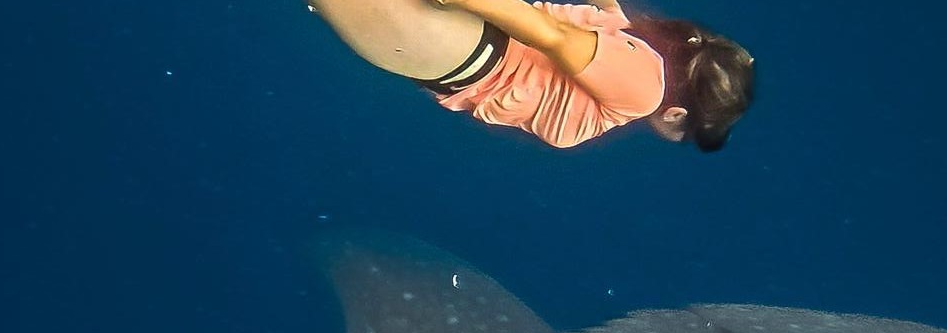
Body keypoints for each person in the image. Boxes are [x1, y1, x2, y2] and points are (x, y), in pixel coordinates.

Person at [307, 0, 755, 152]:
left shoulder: (630, 32)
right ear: (679, 113)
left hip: (472, 39)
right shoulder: (644, 92)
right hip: (465, 53)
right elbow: (552, 37)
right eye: (687, 128)